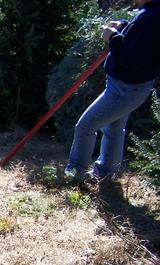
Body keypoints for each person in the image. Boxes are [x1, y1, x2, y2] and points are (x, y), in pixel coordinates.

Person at [65, 0, 160, 183]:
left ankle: (76, 174)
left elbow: (132, 58)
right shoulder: (151, 13)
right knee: (114, 128)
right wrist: (124, 26)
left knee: (85, 126)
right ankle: (106, 172)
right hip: (128, 87)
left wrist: (113, 37)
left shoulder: (153, 18)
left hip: (126, 89)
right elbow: (138, 39)